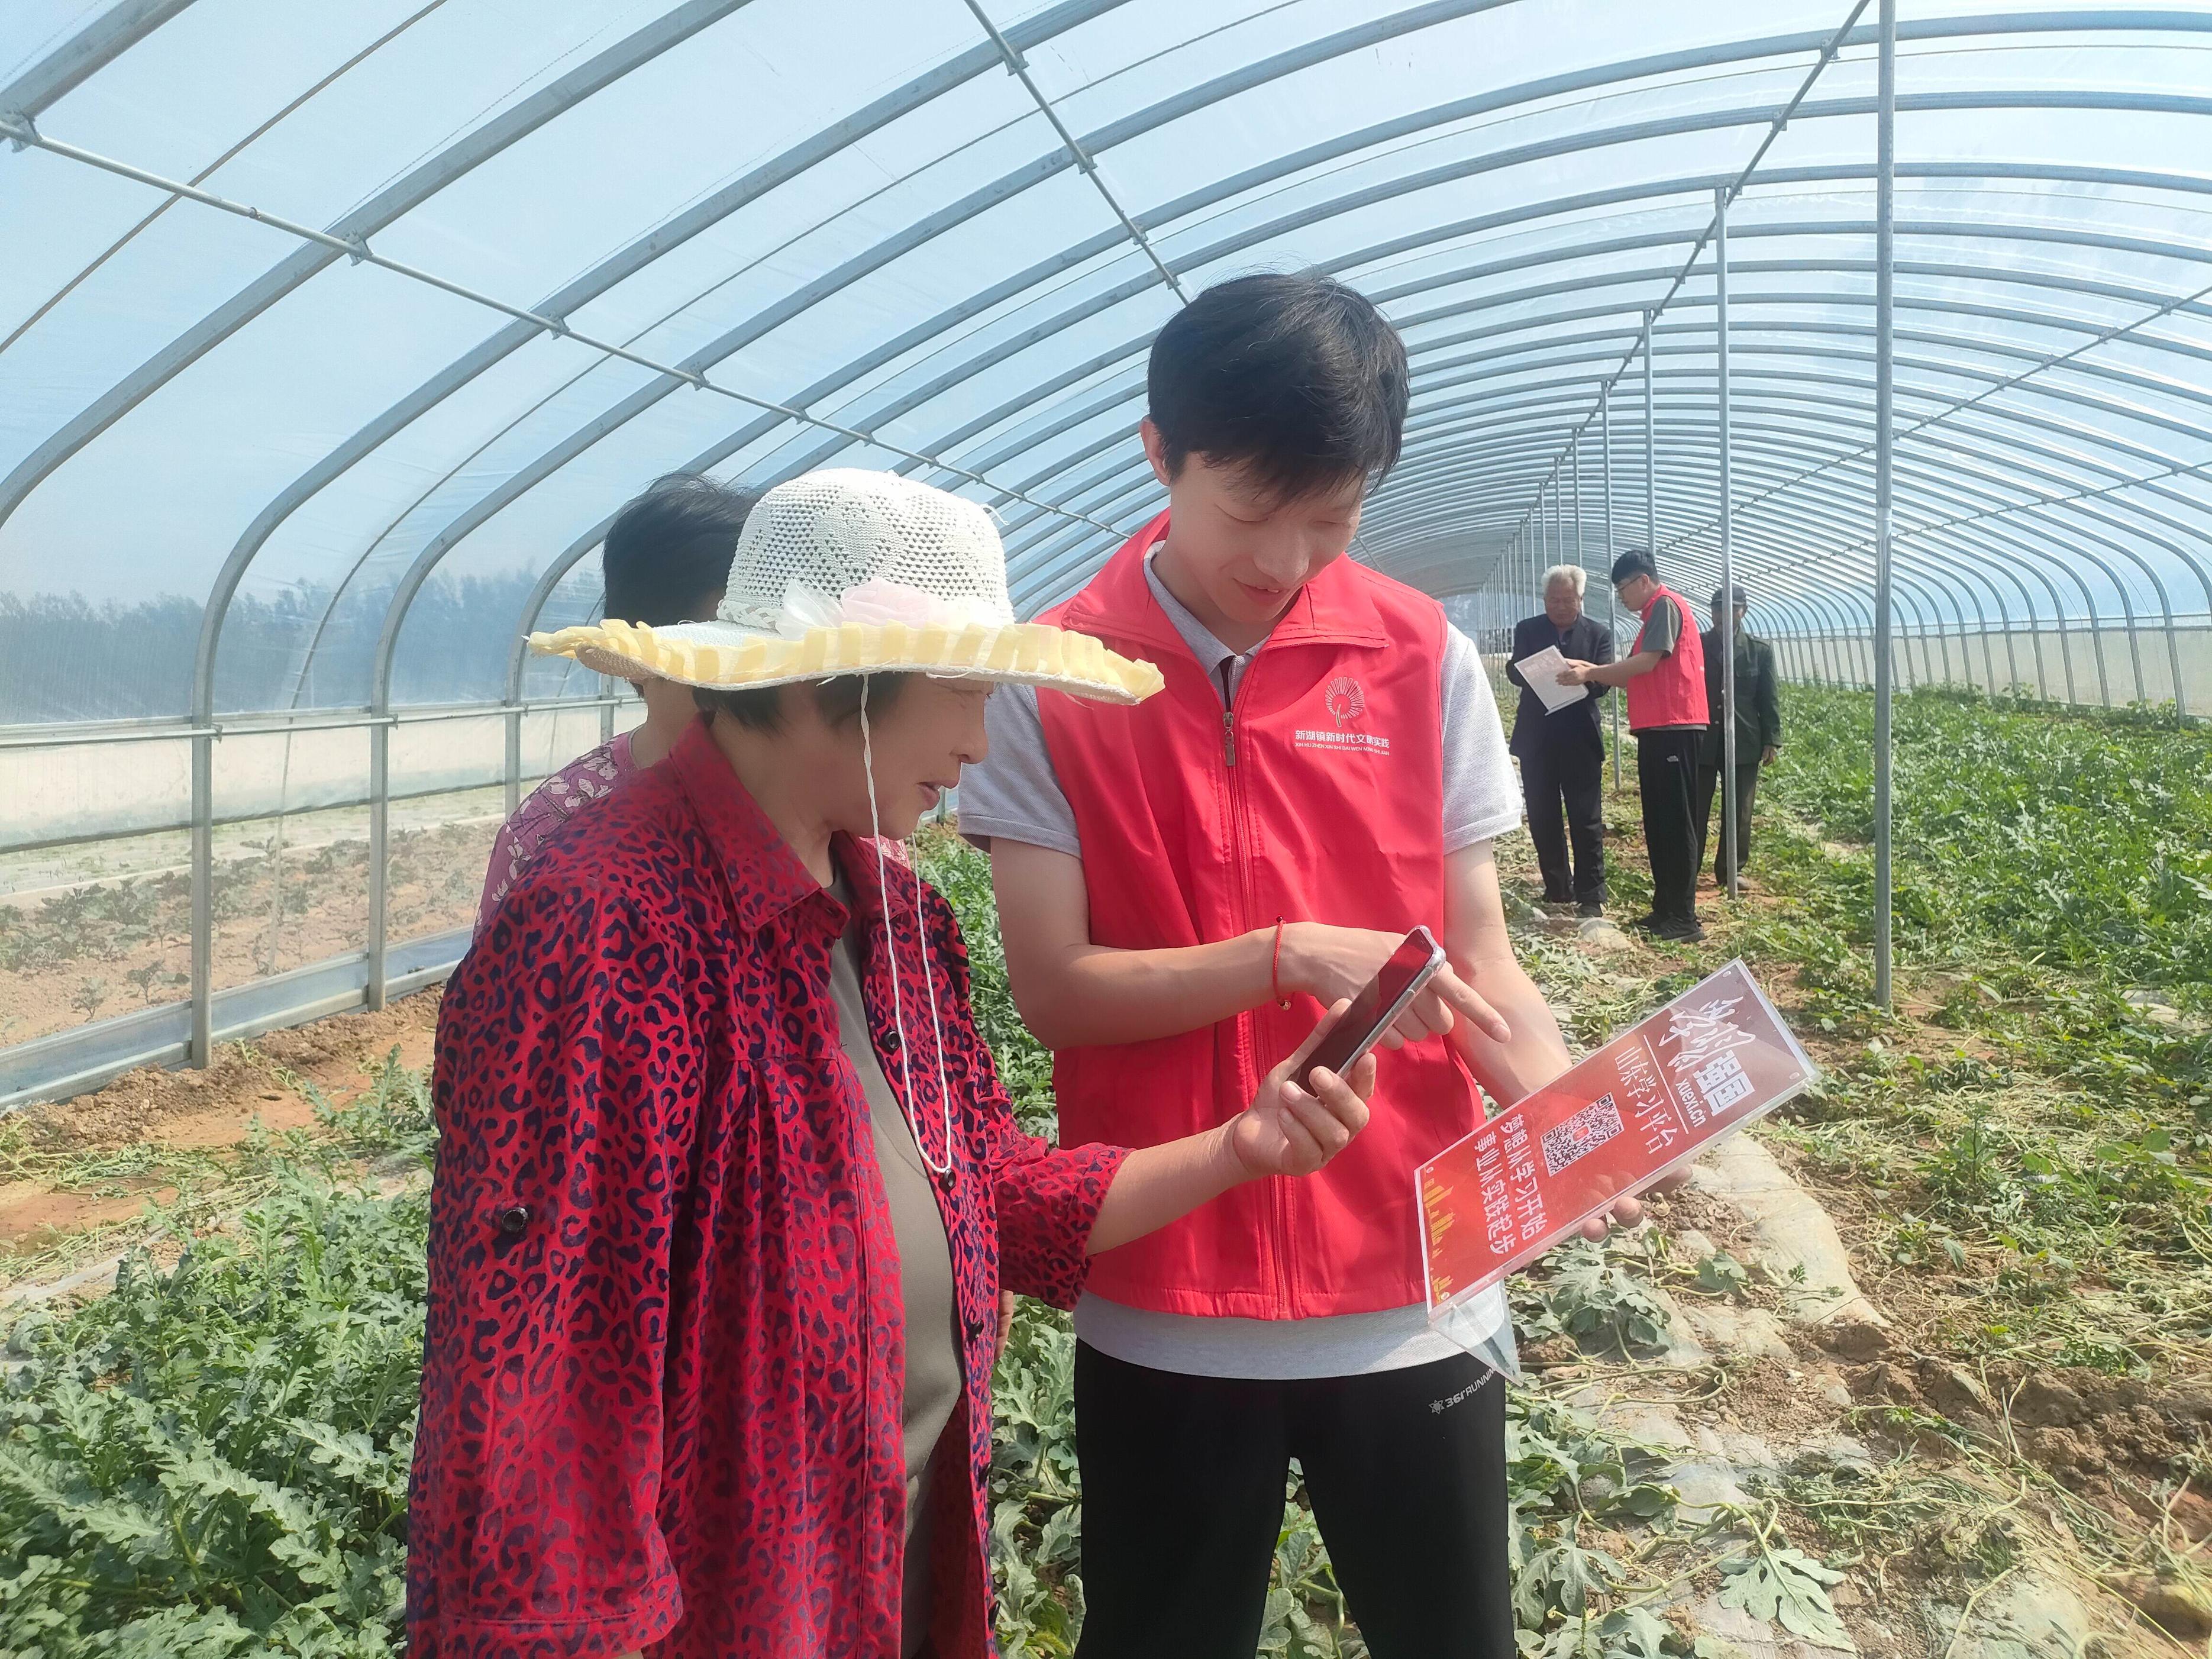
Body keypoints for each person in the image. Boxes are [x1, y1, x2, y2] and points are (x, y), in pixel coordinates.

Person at [409, 470, 1386, 1659]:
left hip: (897, 1555)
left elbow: (1000, 1201)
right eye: (965, 694)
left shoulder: (900, 929)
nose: (978, 745)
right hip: (730, 1606)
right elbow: (545, 1383)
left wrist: (1245, 1145)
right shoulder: (611, 927)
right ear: (842, 684)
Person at [955, 272, 1649, 1659]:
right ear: (1159, 455)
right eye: (1245, 516)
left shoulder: (1422, 658)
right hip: (1166, 1286)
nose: (1282, 559)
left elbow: (1483, 958)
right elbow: (1056, 985)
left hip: (1413, 1280)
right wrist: (1278, 956)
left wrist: (1573, 1116)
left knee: (1457, 1635)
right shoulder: (1054, 677)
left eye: (1328, 521)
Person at [474, 473, 753, 933]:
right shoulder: (552, 830)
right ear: (637, 655)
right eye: (721, 657)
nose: (758, 688)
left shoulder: (829, 810)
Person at [1557, 548, 1709, 942]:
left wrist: (1592, 671)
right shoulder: (1651, 617)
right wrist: (1591, 671)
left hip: (1676, 728)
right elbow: (1633, 675)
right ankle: (1665, 910)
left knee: (1676, 824)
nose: (1621, 597)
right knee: (1659, 824)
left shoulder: (1664, 606)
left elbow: (1645, 665)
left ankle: (1685, 918)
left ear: (1643, 581)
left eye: (1623, 588)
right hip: (1657, 729)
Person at [1503, 565, 1614, 916]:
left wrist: (1581, 677)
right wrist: (1534, 670)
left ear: (1580, 599)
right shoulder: (1528, 630)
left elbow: (1605, 681)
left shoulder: (1598, 633)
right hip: (1538, 737)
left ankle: (1591, 892)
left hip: (1580, 736)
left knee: (1586, 816)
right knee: (1543, 815)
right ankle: (1557, 887)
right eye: (1554, 599)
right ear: (1545, 599)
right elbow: (1513, 671)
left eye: (1568, 599)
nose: (1561, 606)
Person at [1696, 585, 1782, 891]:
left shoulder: (1759, 650)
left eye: (1731, 608)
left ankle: (1731, 870)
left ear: (1743, 611)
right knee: (1696, 806)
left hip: (1744, 739)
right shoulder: (1697, 644)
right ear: (1712, 612)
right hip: (1703, 737)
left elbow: (1768, 697)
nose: (1724, 615)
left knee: (1739, 810)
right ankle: (1690, 868)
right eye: (1718, 608)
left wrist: (1771, 739)